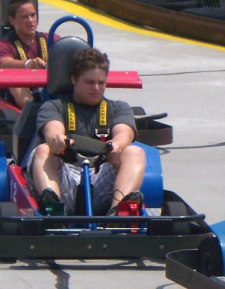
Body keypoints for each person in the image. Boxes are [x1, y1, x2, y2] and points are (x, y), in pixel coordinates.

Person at [28, 48, 146, 216]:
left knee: (135, 152)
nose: (96, 88)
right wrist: (58, 140)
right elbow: (52, 128)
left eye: (101, 82)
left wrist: (116, 146)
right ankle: (53, 211)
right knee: (44, 150)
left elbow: (124, 133)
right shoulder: (55, 106)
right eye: (90, 82)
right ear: (74, 79)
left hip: (101, 178)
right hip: (66, 177)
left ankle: (118, 212)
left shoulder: (118, 108)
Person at [0, 0, 58, 108]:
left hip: (49, 90)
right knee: (12, 76)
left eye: (33, 15)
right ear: (12, 20)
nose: (30, 20)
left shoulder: (51, 39)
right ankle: (34, 110)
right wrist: (28, 64)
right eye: (24, 17)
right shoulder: (4, 45)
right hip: (15, 96)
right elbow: (3, 64)